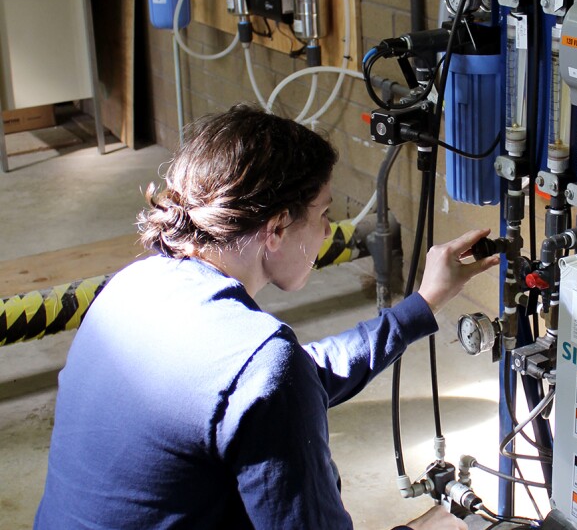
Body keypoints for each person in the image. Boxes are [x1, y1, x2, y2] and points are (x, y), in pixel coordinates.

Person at [35, 104, 499, 529]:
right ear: (276, 228)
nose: (325, 231)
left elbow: (284, 380)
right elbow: (272, 383)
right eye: (322, 214)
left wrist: (423, 303)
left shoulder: (129, 288)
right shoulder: (262, 367)